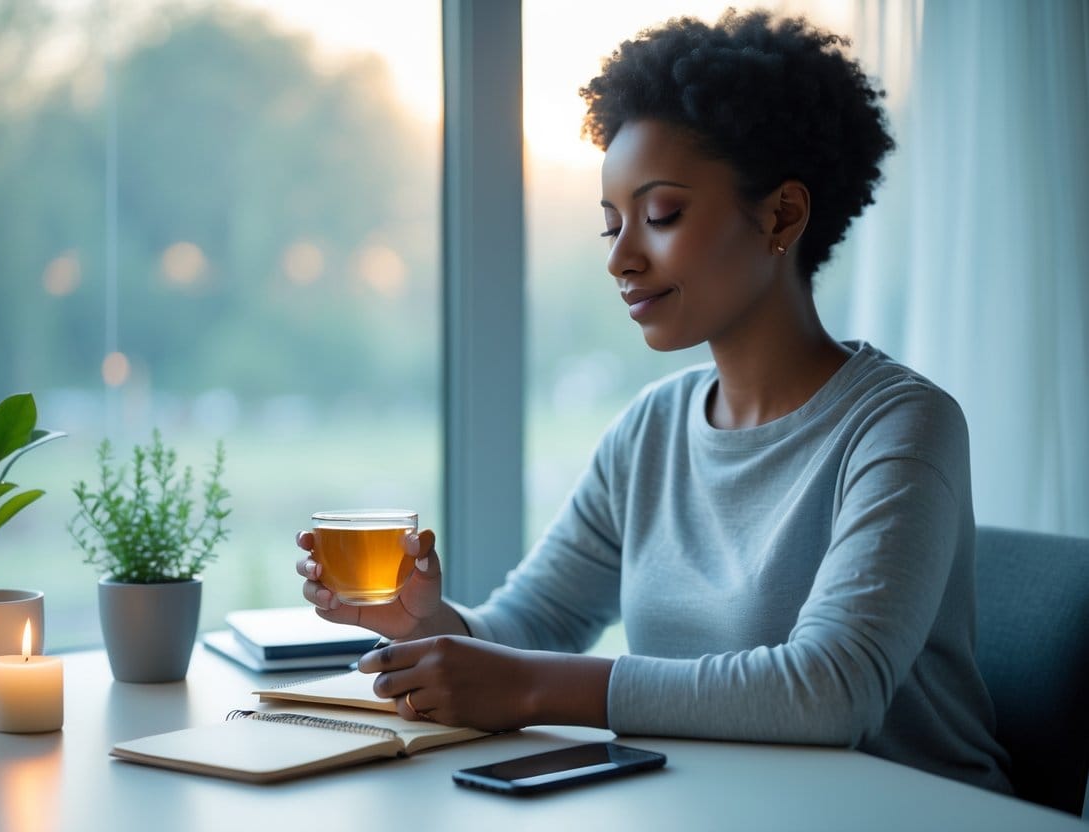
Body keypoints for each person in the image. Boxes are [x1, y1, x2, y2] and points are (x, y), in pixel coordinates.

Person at [294, 9, 1011, 794]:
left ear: (782, 215)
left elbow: (829, 691)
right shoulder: (651, 429)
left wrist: (535, 688)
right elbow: (530, 627)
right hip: (721, 807)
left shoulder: (899, 426)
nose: (623, 259)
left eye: (661, 215)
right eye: (611, 228)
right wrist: (429, 625)